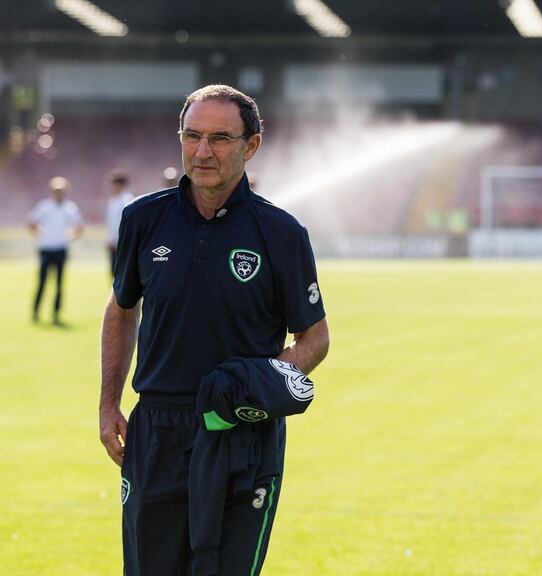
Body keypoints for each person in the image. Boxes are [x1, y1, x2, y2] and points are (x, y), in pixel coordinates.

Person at [99, 84, 330, 576]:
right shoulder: (142, 219)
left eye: (220, 138)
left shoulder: (281, 234)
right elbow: (121, 309)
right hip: (157, 431)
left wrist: (259, 383)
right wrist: (107, 404)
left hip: (241, 434)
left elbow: (315, 337)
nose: (203, 152)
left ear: (252, 145)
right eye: (192, 136)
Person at [28, 176, 83, 325]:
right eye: (56, 190)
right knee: (42, 282)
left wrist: (68, 238)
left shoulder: (70, 208)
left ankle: (56, 314)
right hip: (46, 248)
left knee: (59, 284)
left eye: (61, 190)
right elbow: (31, 223)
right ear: (52, 191)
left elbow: (79, 228)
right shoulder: (44, 206)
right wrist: (40, 236)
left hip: (61, 249)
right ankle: (36, 312)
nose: (59, 193)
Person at [105, 169, 135, 276]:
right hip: (114, 243)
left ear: (119, 184)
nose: (111, 187)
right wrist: (110, 240)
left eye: (113, 184)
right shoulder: (113, 200)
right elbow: (111, 224)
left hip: (122, 244)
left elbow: (127, 223)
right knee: (114, 273)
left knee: (123, 274)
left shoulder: (127, 200)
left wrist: (120, 241)